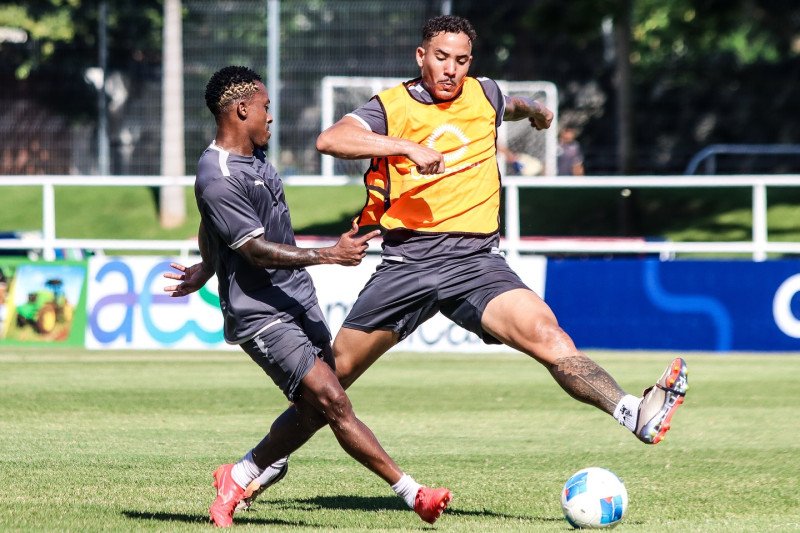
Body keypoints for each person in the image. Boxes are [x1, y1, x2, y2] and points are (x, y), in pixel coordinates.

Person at [180, 15, 688, 511]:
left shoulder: (483, 93)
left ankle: (632, 412)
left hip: (476, 261)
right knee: (329, 386)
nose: (451, 69)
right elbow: (330, 140)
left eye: (461, 60)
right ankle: (249, 469)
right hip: (408, 263)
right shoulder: (392, 105)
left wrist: (535, 111)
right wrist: (405, 146)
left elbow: (509, 104)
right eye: (441, 58)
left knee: (549, 337)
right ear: (421, 56)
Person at [163, 66, 451, 528]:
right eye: (266, 107)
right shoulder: (216, 173)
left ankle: (242, 472)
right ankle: (414, 494)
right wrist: (329, 255)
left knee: (315, 408)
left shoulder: (254, 158)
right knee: (333, 402)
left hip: (296, 300)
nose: (271, 117)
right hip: (259, 313)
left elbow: (213, 224)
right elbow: (253, 250)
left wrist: (205, 266)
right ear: (241, 109)